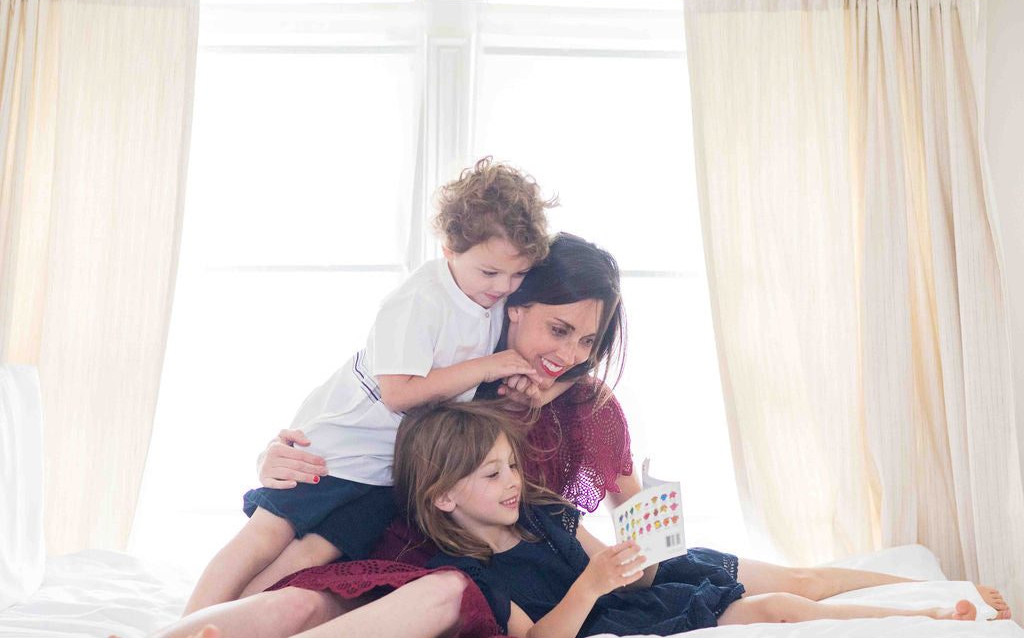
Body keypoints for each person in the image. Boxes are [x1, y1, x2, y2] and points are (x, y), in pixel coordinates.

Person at [157, 235, 1010, 638]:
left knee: (794, 578)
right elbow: (352, 430)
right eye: (555, 328)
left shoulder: (591, 407)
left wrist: (645, 526)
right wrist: (274, 453)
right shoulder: (457, 370)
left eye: (584, 341)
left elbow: (642, 519)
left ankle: (942, 597)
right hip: (428, 552)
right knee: (299, 595)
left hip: (562, 558)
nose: (565, 353)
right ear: (512, 304)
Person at [183, 157, 556, 614]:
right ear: (449, 248)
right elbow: (398, 393)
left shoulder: (488, 298)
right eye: (490, 273)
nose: (503, 287)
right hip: (337, 448)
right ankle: (182, 627)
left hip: (385, 470)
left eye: (517, 275)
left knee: (310, 556)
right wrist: (487, 366)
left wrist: (508, 378)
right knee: (267, 535)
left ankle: (225, 627)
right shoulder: (420, 300)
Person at [406, 402, 985, 637]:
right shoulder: (464, 572)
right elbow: (536, 637)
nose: (512, 480)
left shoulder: (544, 512)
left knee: (798, 589)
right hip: (614, 618)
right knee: (784, 604)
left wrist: (641, 543)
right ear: (443, 497)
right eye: (491, 475)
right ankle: (932, 610)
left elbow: (618, 567)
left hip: (648, 588)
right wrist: (595, 583)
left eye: (511, 465)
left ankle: (930, 601)